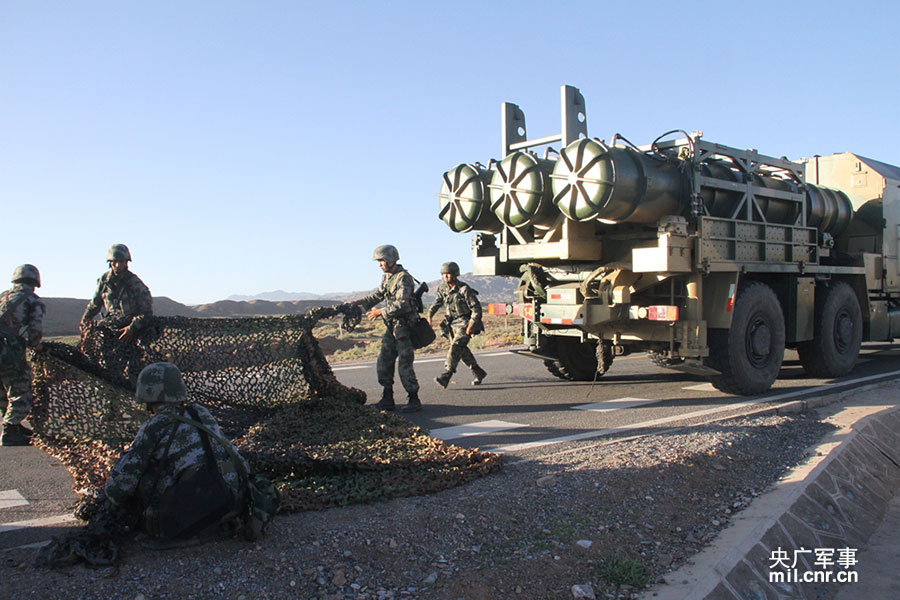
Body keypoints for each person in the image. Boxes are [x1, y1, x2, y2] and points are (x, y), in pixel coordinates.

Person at [103, 362, 248, 544]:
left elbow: (121, 486)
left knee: (146, 478)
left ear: (147, 394)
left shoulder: (155, 426)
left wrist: (111, 496)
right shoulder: (201, 413)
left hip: (197, 508)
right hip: (233, 499)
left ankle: (175, 526)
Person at [354, 245, 421, 412]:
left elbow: (403, 304)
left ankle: (414, 399)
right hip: (392, 327)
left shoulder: (403, 278)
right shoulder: (387, 278)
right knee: (384, 361)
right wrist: (358, 304)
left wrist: (380, 312)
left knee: (405, 364)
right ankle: (387, 397)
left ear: (392, 260)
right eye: (378, 261)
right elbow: (377, 295)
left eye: (382, 260)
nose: (380, 264)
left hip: (404, 327)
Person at [0, 264, 45, 446]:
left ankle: (14, 424)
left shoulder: (4, 296)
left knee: (3, 389)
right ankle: (10, 430)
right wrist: (36, 345)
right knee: (21, 388)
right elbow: (35, 329)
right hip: (8, 350)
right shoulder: (32, 300)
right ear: (34, 281)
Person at [427, 261, 487, 388]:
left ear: (455, 275)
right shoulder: (443, 289)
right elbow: (436, 303)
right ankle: (478, 372)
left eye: (448, 274)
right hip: (452, 324)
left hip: (465, 322)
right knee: (462, 350)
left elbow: (476, 309)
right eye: (444, 274)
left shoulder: (464, 289)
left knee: (456, 347)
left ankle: (446, 375)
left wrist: (471, 325)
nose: (446, 277)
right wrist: (429, 315)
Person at [81, 244, 153, 342]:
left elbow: (146, 313)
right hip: (111, 328)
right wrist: (85, 322)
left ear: (126, 262)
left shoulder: (134, 283)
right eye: (115, 262)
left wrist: (132, 328)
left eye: (121, 261)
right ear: (110, 262)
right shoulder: (104, 281)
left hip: (132, 333)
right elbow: (94, 305)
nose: (117, 265)